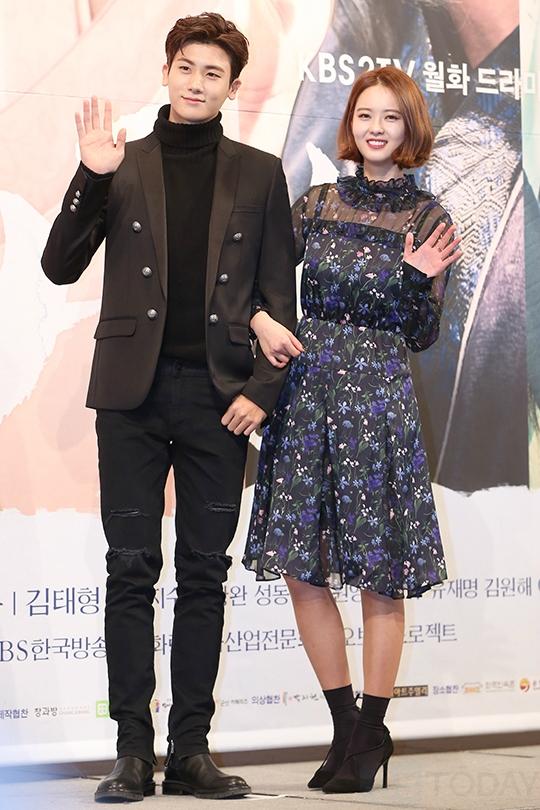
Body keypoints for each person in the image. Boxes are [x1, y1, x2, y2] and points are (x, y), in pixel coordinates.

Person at [41, 12, 296, 803]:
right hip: (132, 398)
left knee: (204, 574)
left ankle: (190, 751)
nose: (196, 82)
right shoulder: (122, 162)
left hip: (220, 401)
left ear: (231, 87)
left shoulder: (260, 174)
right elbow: (58, 266)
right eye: (186, 67)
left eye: (212, 73)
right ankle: (130, 751)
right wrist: (90, 176)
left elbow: (278, 300)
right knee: (129, 570)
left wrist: (260, 393)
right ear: (166, 72)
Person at [245, 66, 462, 794]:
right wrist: (261, 320)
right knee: (302, 567)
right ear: (350, 123)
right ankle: (345, 728)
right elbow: (264, 285)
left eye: (391, 117)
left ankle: (372, 729)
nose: (376, 128)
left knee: (378, 572)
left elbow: (423, 333)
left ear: (410, 129)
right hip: (308, 394)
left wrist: (414, 277)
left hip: (378, 402)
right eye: (366, 114)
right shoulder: (315, 204)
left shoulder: (429, 219)